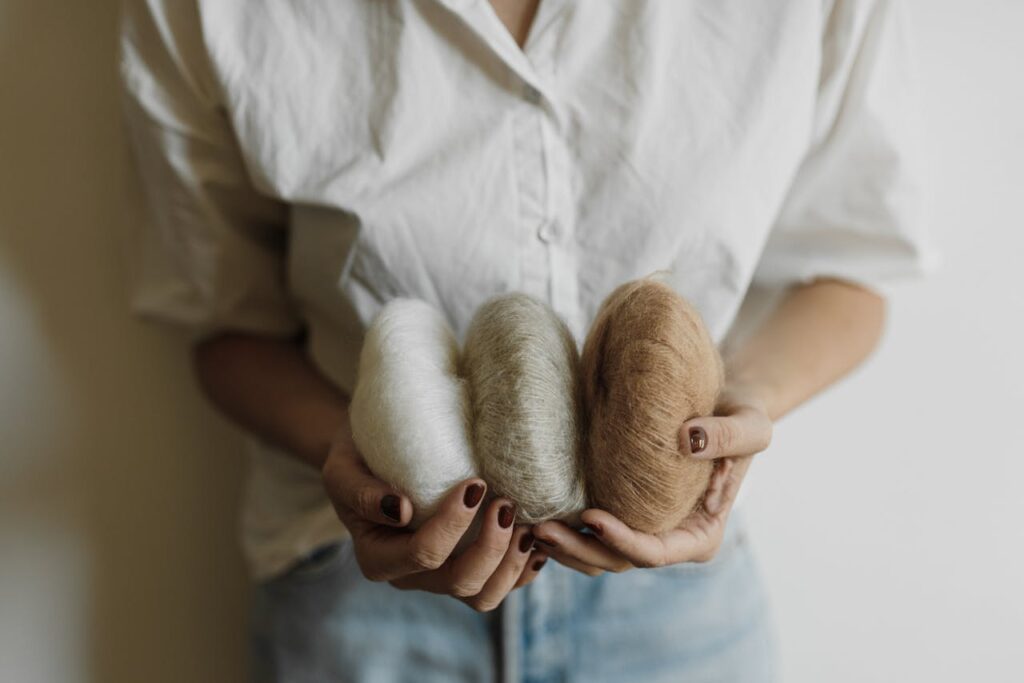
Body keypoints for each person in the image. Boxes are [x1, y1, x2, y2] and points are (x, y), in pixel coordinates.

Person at [119, 0, 936, 680]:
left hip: (674, 606)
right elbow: (229, 324)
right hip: (362, 603)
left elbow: (851, 267)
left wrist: (739, 407)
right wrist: (355, 451)